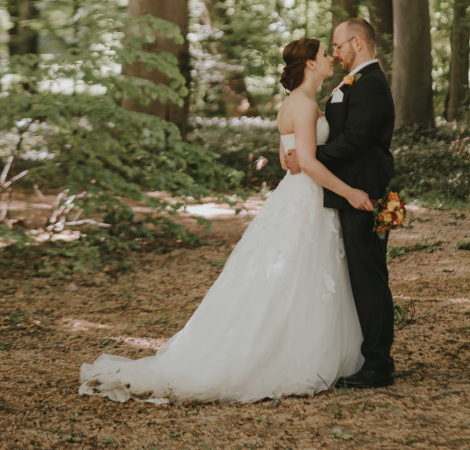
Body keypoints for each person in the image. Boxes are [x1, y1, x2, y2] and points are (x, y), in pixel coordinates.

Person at [79, 38, 373, 404]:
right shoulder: (304, 104)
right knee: (296, 276)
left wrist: (300, 159)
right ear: (311, 64)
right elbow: (308, 163)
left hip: (298, 197)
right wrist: (350, 192)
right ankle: (282, 356)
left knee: (298, 278)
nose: (331, 57)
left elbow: (288, 157)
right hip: (306, 199)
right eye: (325, 54)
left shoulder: (296, 103)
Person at [284, 17, 396, 389]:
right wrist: (301, 154)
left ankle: (379, 364)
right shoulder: (352, 84)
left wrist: (311, 155)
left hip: (362, 193)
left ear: (357, 43)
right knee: (358, 278)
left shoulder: (372, 85)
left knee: (369, 277)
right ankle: (367, 357)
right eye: (330, 48)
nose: (335, 52)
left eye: (338, 45)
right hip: (347, 193)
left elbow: (357, 140)